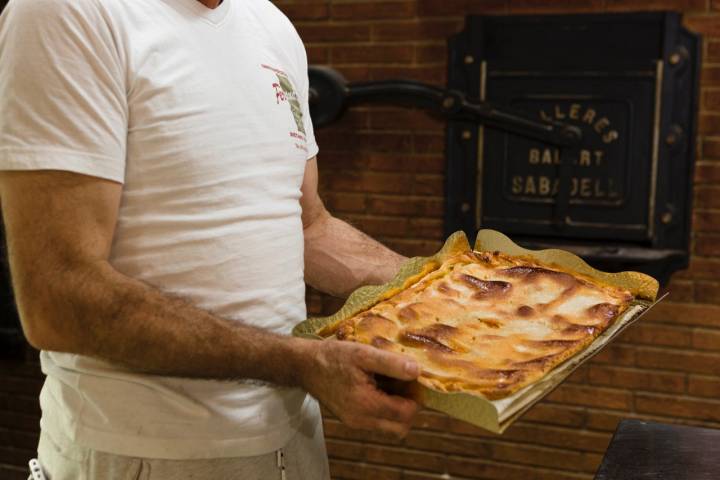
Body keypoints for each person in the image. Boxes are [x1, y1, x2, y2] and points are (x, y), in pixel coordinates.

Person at [0, 0, 421, 478]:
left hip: (293, 437)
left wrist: (445, 290)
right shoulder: (67, 12)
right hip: (142, 456)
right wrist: (300, 363)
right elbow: (56, 297)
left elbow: (307, 225)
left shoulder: (272, 27)